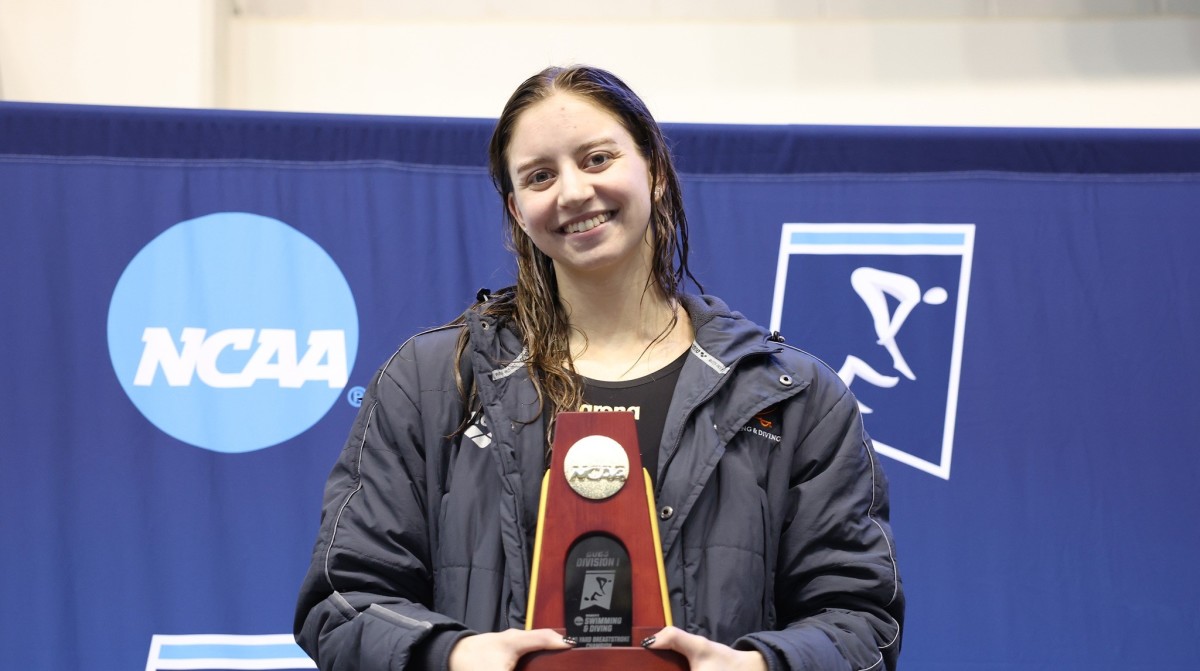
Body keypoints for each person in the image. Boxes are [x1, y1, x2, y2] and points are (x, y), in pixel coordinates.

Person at [294, 65, 903, 671]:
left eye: (596, 159)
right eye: (539, 176)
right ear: (516, 209)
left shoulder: (791, 396)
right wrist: (452, 656)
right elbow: (342, 602)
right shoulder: (433, 382)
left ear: (656, 172)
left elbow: (861, 620)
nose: (573, 192)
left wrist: (759, 667)